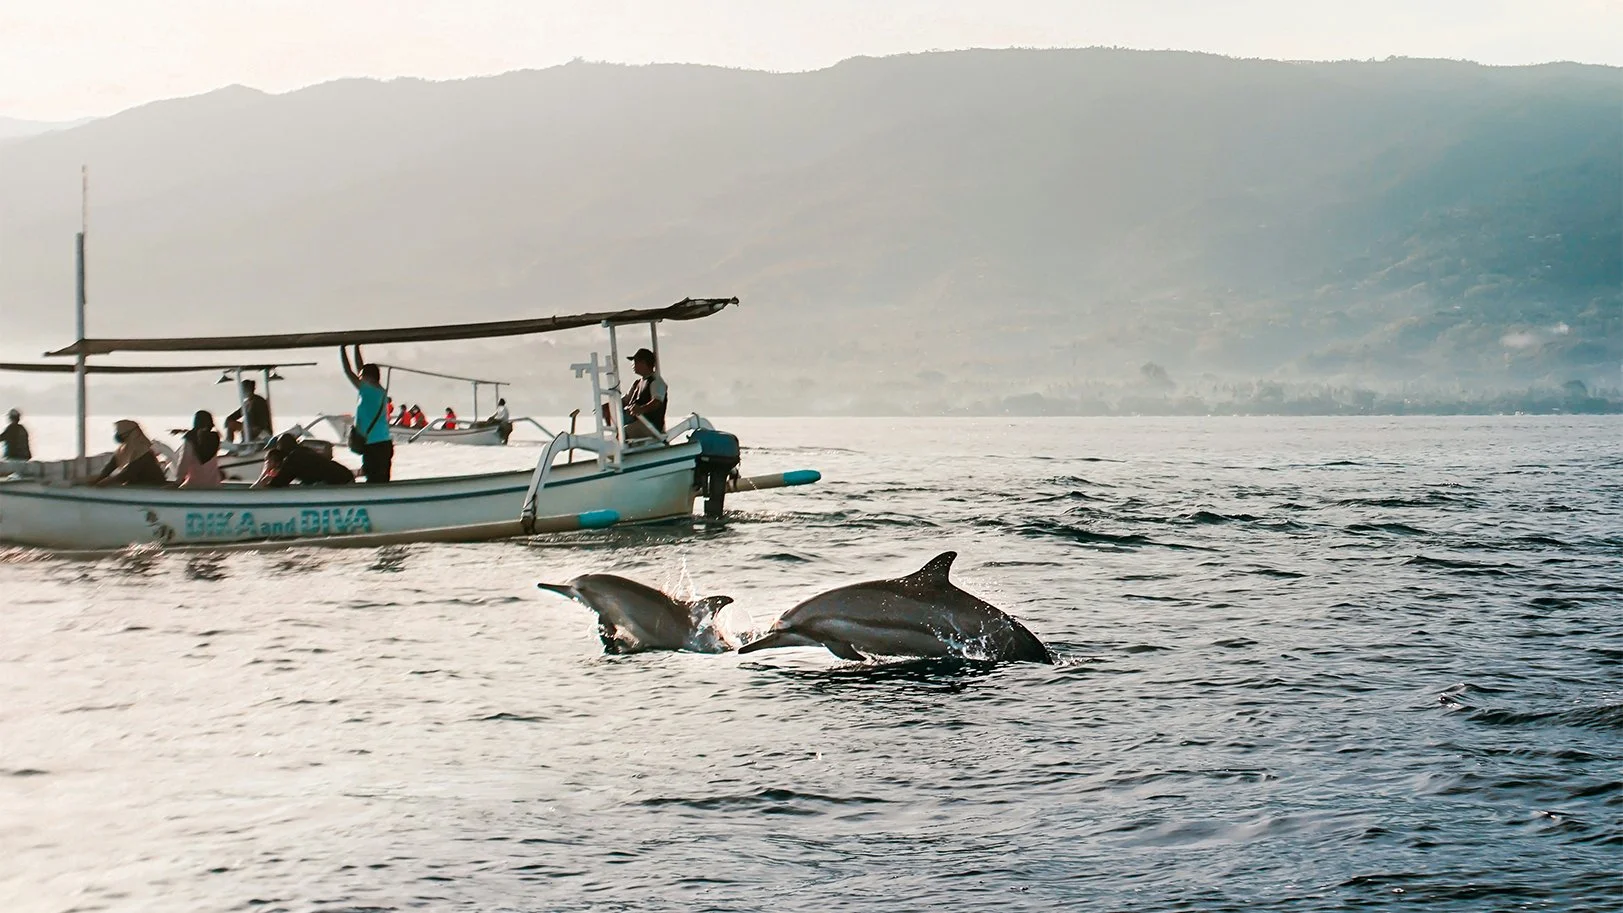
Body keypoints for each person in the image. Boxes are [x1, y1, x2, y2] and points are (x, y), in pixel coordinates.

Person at [340, 345, 393, 482]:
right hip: (384, 444)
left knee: (374, 481)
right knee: (383, 481)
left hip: (373, 445)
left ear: (367, 377)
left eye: (362, 376)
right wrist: (356, 346)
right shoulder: (379, 390)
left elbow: (348, 371)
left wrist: (342, 347)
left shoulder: (366, 389)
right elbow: (360, 368)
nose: (359, 377)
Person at [253, 433, 355, 487]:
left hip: (342, 484)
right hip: (346, 477)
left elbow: (276, 485)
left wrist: (266, 470)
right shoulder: (304, 451)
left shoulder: (293, 459)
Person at [93, 420, 167, 487]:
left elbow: (128, 473)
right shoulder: (124, 449)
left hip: (151, 488)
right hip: (139, 487)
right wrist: (99, 479)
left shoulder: (144, 452)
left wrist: (107, 481)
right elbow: (111, 465)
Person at [620, 347, 668, 438]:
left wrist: (641, 409)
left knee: (623, 433)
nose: (632, 365)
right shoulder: (637, 383)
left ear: (643, 363)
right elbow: (626, 400)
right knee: (617, 425)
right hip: (636, 421)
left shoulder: (656, 382)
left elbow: (657, 402)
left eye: (635, 362)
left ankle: (618, 450)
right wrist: (608, 406)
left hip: (650, 426)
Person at [176, 410, 223, 488]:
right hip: (214, 484)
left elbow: (184, 461)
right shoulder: (215, 438)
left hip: (194, 484)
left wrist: (178, 481)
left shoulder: (191, 438)